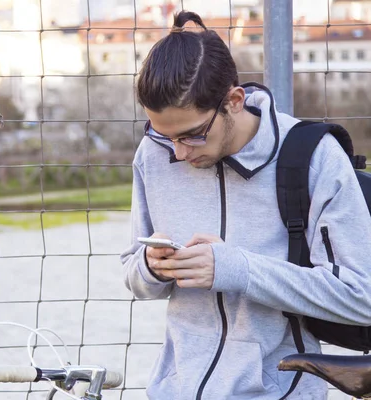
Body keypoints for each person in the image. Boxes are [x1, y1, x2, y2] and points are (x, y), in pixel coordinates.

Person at [120, 10, 371, 400]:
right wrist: (151, 268)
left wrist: (238, 269)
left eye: (192, 135)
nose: (179, 153)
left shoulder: (314, 156)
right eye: (163, 134)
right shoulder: (154, 153)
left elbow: (362, 297)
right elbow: (134, 277)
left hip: (279, 391)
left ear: (234, 101)